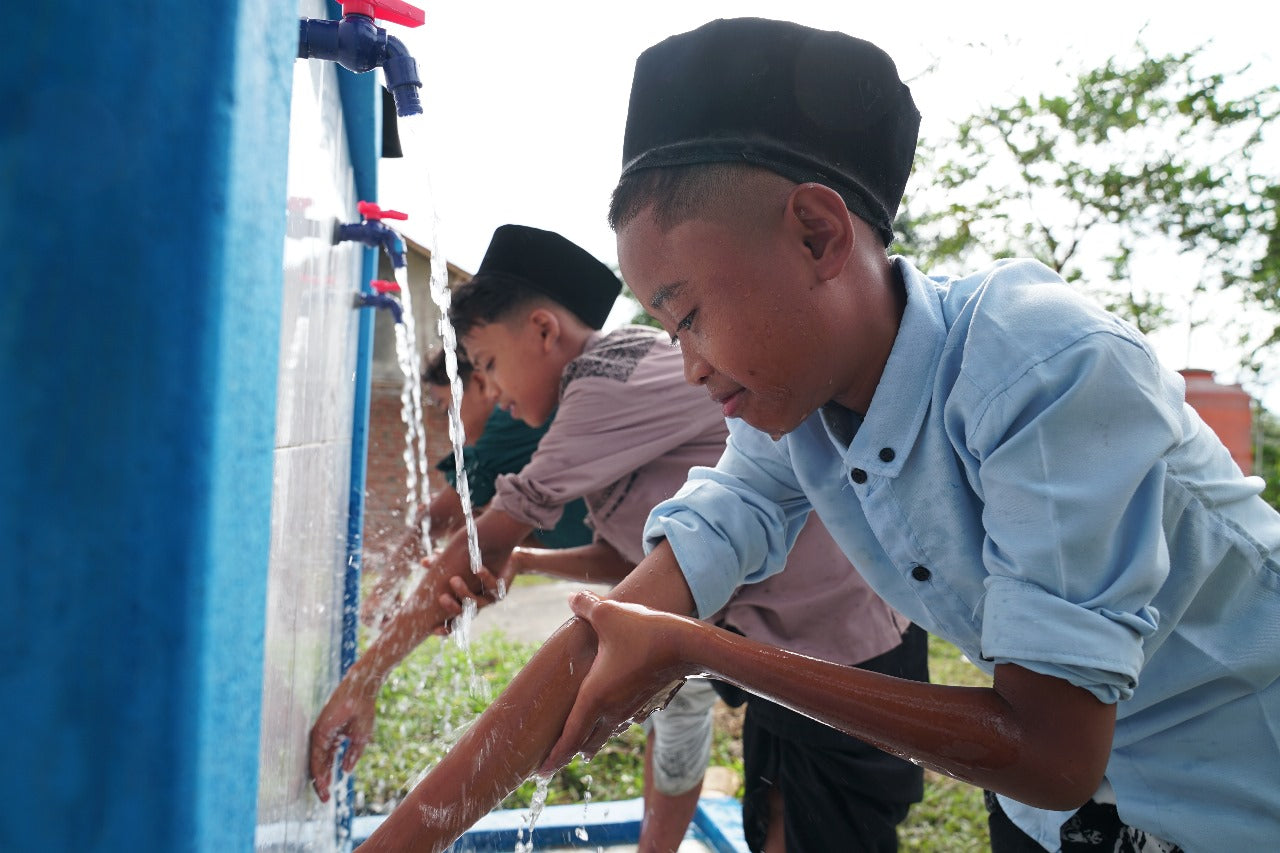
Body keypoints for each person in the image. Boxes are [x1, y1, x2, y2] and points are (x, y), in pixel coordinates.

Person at [354, 17, 1280, 853]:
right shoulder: (788, 419)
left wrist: (703, 647)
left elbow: (1050, 748)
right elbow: (621, 624)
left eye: (690, 315)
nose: (688, 364)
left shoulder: (1041, 369)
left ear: (815, 234)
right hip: (1068, 815)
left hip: (1233, 783)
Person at [320, 222, 928, 852]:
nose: (492, 394)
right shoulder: (606, 384)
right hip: (785, 644)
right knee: (776, 817)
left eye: (489, 365)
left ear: (543, 331)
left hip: (851, 645)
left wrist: (361, 684)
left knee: (821, 832)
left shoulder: (600, 389)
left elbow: (479, 546)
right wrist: (528, 561)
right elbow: (631, 556)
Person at [361, 348, 594, 627]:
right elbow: (507, 536)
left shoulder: (508, 422)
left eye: (447, 407)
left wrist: (383, 592)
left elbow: (433, 520)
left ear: (480, 384)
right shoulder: (517, 463)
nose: (451, 425)